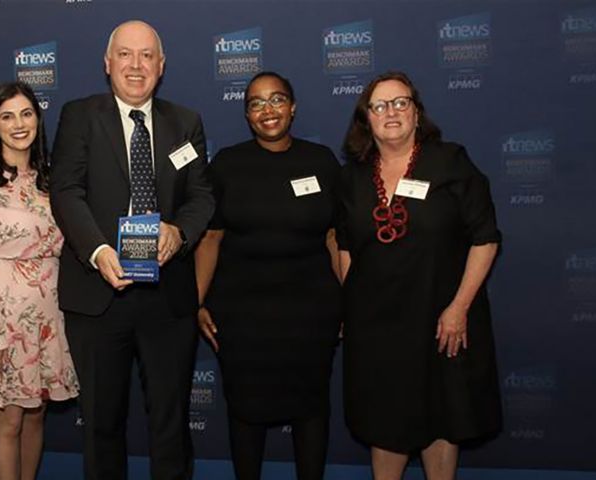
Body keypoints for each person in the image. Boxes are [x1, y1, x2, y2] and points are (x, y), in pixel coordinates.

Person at [49, 20, 214, 480]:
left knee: (170, 424)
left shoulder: (186, 122)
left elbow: (202, 195)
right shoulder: (79, 116)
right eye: (125, 54)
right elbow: (66, 190)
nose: (135, 65)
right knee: (101, 424)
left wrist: (179, 233)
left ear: (161, 67)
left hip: (168, 297)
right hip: (99, 295)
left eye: (146, 56)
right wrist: (99, 251)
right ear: (107, 63)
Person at [337, 71, 502, 480]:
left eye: (400, 103)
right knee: (384, 421)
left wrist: (459, 307)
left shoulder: (450, 162)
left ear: (416, 112)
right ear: (366, 118)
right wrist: (350, 307)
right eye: (379, 105)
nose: (390, 112)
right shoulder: (353, 177)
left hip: (440, 319)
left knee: (443, 417)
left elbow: (485, 239)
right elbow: (344, 247)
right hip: (377, 328)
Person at [195, 71, 343, 480]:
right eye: (256, 103)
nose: (268, 110)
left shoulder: (321, 161)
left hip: (312, 313)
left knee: (311, 408)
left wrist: (349, 299)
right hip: (242, 317)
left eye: (277, 99)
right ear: (247, 115)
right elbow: (211, 238)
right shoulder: (227, 164)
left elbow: (335, 237)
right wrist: (197, 301)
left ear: (293, 107)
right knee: (245, 409)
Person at [0, 81, 78, 480]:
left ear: (38, 119)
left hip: (46, 319)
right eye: (7, 116)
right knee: (7, 423)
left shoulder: (52, 180)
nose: (18, 124)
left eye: (26, 113)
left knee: (36, 418)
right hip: (0, 321)